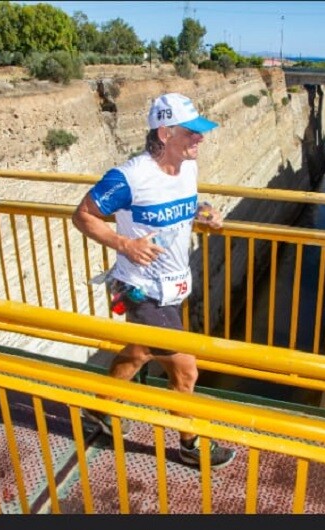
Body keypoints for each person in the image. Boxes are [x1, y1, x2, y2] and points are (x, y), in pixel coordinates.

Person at [71, 93, 236, 470]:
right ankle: (190, 445)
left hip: (173, 287)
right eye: (191, 132)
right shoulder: (129, 177)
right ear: (164, 133)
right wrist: (124, 243)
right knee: (186, 369)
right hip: (143, 290)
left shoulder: (187, 168)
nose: (200, 139)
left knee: (141, 351)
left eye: (200, 132)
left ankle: (99, 408)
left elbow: (189, 204)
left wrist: (206, 212)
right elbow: (83, 215)